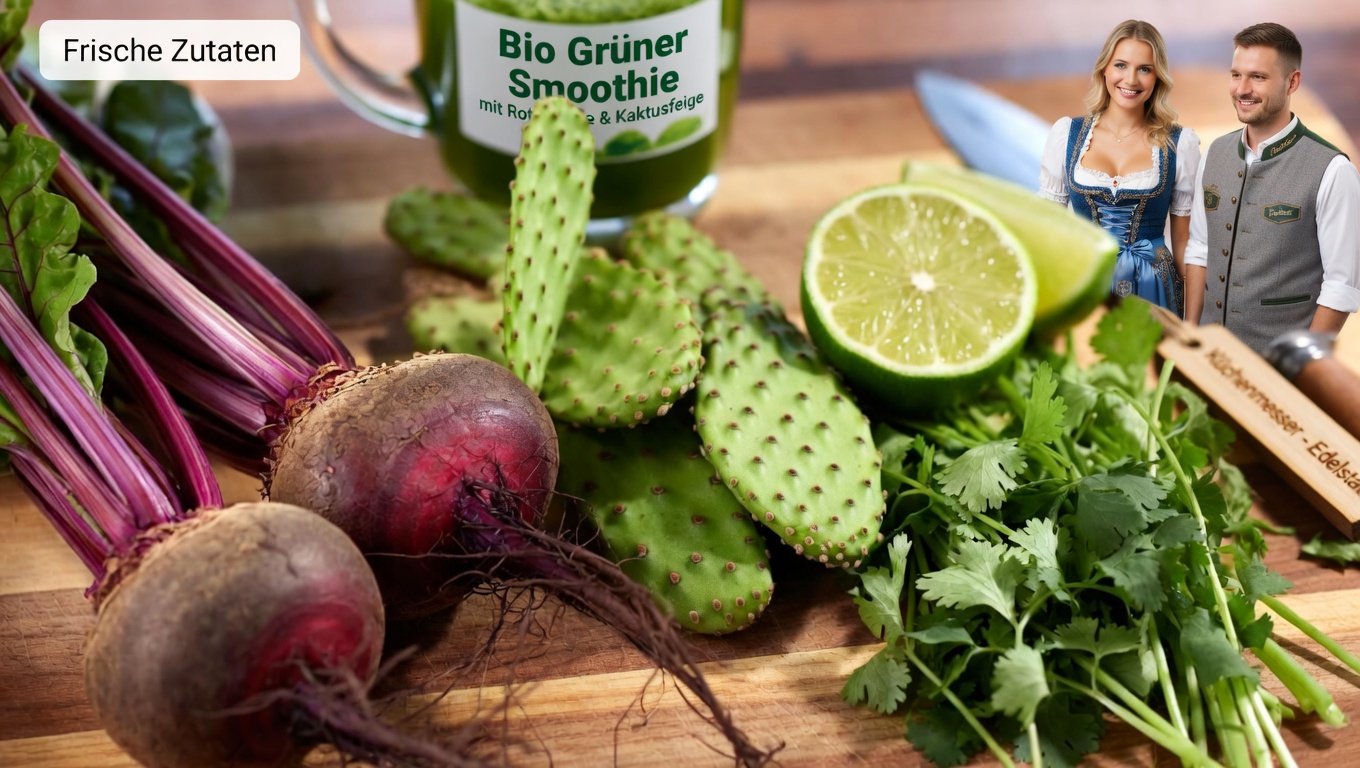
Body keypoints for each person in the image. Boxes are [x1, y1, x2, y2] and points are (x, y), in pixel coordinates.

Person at [1184, 22, 1360, 354]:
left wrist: (1302, 367)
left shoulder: (1334, 170)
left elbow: (1342, 286)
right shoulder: (1213, 154)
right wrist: (1190, 339)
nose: (1242, 89)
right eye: (1236, 75)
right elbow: (1199, 248)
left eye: (1258, 77)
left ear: (1292, 81)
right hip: (1207, 361)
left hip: (1279, 370)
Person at [1040, 19, 1201, 317]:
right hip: (1086, 281)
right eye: (1121, 65)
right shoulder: (1066, 135)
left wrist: (1192, 323)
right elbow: (1049, 233)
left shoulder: (1179, 143)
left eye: (1145, 69)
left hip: (1157, 289)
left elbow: (1184, 241)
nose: (1131, 80)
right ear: (1104, 69)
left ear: (1157, 78)